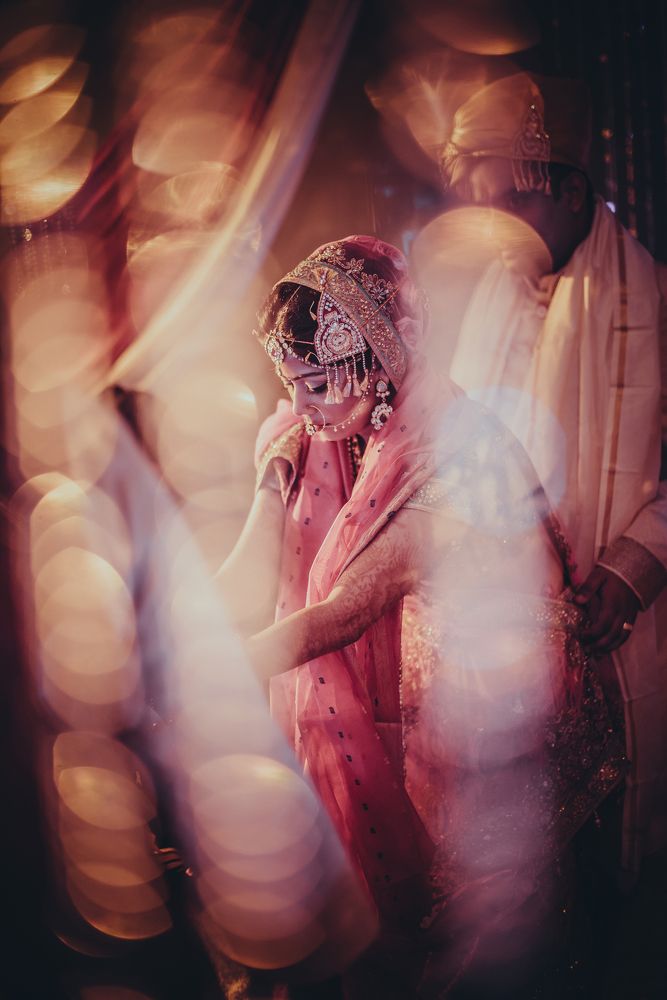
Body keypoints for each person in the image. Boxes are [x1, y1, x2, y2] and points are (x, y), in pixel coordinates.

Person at [216, 235, 625, 994]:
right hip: (433, 694)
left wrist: (214, 667)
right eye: (290, 383)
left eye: (315, 385)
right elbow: (271, 528)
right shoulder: (361, 421)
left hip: (492, 711)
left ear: (372, 361)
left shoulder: (455, 457)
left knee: (486, 929)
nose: (301, 408)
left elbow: (344, 610)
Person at [441, 71, 667, 878]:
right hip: (510, 632)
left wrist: (630, 570)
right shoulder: (485, 308)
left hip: (625, 623)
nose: (491, 228)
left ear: (570, 193)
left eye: (508, 203)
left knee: (614, 862)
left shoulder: (656, 304)